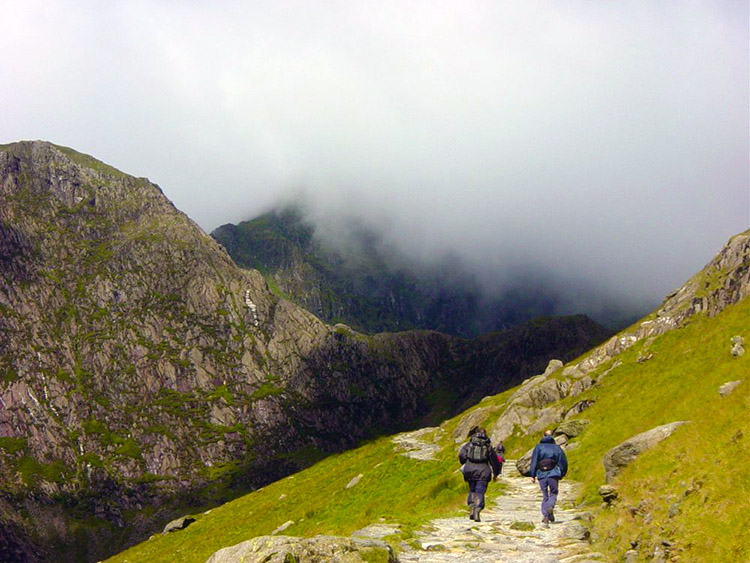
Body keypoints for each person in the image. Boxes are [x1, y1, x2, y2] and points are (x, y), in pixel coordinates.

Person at [458, 426, 502, 522]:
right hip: (483, 471)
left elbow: (461, 455)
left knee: (472, 489)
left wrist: (465, 463)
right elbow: (495, 462)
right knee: (480, 491)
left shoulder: (468, 445)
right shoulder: (488, 447)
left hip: (469, 470)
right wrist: (496, 473)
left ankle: (472, 507)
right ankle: (478, 508)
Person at [529, 429, 568, 525]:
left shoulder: (538, 447)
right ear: (552, 437)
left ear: (543, 436)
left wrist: (532, 475)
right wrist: (562, 473)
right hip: (553, 474)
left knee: (545, 495)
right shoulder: (557, 448)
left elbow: (534, 461)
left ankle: (546, 516)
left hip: (541, 474)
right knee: (553, 493)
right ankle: (550, 506)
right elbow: (563, 462)